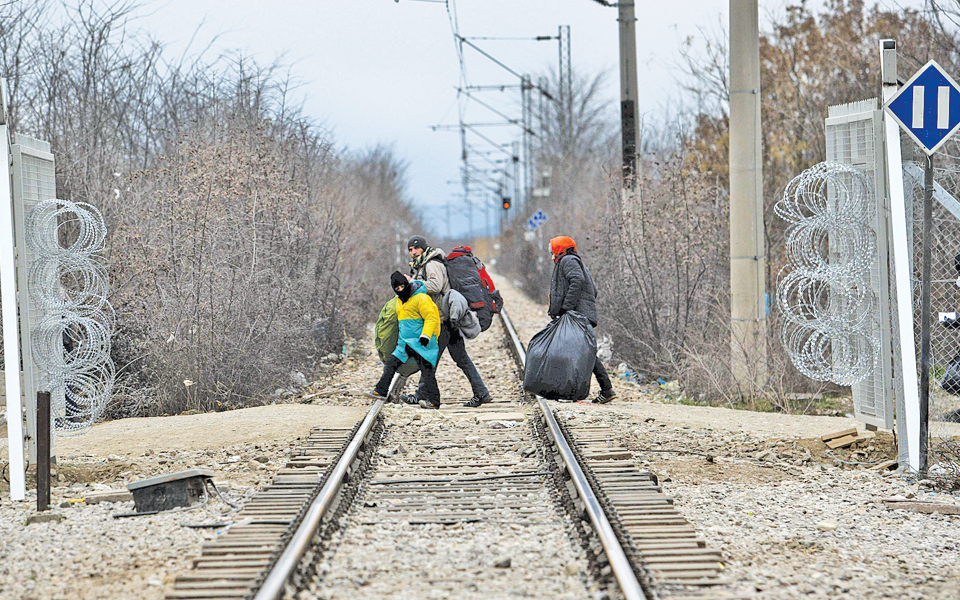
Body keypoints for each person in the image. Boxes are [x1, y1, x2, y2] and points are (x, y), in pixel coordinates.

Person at [405, 235, 493, 408]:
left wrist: (413, 284)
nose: (413, 252)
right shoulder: (422, 264)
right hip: (444, 318)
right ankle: (481, 392)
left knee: (431, 358)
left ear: (423, 248)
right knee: (459, 359)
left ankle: (425, 396)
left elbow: (436, 286)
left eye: (416, 248)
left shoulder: (432, 264)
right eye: (410, 249)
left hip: (443, 318)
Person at [548, 235, 616, 404]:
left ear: (560, 249)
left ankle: (571, 393)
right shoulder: (574, 261)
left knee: (572, 351)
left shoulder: (568, 261)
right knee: (585, 351)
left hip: (576, 315)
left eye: (553, 248)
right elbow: (593, 290)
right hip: (580, 314)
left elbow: (576, 281)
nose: (551, 252)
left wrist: (567, 307)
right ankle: (606, 389)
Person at [368, 271, 443, 409]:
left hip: (422, 343)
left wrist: (426, 336)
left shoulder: (421, 298)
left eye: (403, 286)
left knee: (427, 372)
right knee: (390, 364)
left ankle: (434, 401)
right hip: (405, 344)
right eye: (398, 289)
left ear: (406, 284)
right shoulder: (398, 302)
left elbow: (431, 317)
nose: (401, 290)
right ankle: (381, 390)